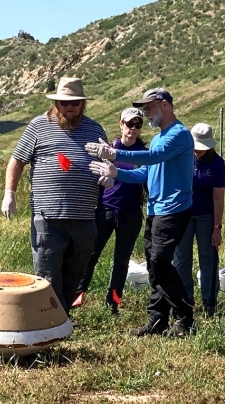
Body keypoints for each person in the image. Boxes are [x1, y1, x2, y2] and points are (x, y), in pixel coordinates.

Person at [85, 87, 195, 337]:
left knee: (159, 262)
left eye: (149, 107)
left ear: (165, 105)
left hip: (173, 208)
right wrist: (116, 173)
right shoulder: (158, 138)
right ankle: (158, 319)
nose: (146, 113)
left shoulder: (178, 135)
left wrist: (115, 154)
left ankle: (185, 316)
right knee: (155, 265)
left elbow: (155, 157)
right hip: (156, 208)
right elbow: (147, 172)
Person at [0, 77, 109, 313]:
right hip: (48, 218)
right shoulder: (38, 126)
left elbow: (107, 163)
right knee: (47, 275)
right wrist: (10, 193)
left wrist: (108, 177)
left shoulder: (95, 129)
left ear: (83, 104)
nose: (68, 107)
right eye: (63, 103)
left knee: (75, 272)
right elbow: (17, 160)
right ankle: (49, 322)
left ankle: (61, 317)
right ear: (56, 103)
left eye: (74, 103)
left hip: (85, 217)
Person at [75, 108, 147, 315]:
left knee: (121, 260)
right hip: (106, 210)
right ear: (121, 125)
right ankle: (76, 297)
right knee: (90, 255)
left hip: (130, 212)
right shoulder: (109, 148)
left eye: (137, 124)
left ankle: (113, 302)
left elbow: (149, 181)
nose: (132, 128)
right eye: (129, 124)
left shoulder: (144, 154)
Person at [173, 123, 225, 317]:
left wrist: (217, 227)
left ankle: (210, 301)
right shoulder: (183, 158)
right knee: (181, 258)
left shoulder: (217, 163)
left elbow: (218, 197)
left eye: (202, 148)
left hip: (206, 216)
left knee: (208, 257)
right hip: (183, 214)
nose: (198, 151)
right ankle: (184, 300)